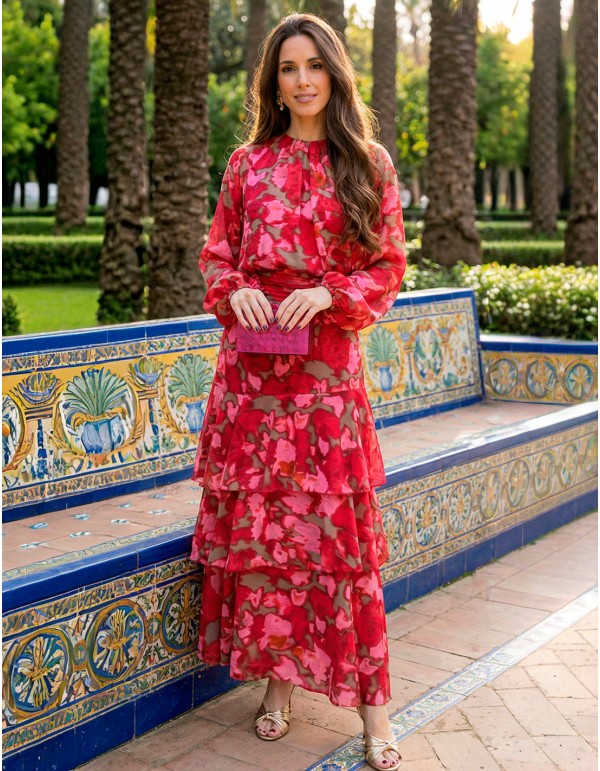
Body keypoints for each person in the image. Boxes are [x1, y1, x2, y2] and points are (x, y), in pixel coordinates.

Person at [191, 13, 406, 770]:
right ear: (273, 82)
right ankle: (278, 687)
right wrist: (237, 290)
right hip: (252, 387)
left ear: (335, 72)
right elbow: (217, 257)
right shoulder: (247, 164)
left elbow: (388, 268)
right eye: (288, 68)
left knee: (342, 550)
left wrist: (329, 293)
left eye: (315, 64)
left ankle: (375, 714)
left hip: (325, 392)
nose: (303, 79)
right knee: (270, 545)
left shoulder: (368, 163)